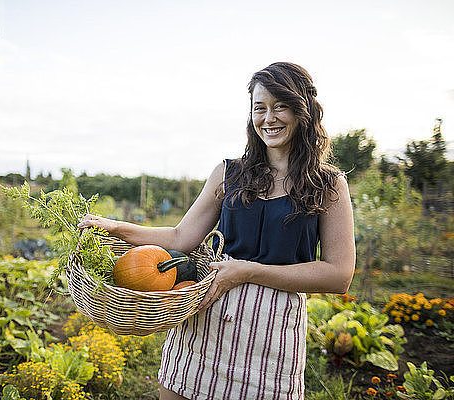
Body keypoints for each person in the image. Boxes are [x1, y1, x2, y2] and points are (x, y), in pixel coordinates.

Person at [78, 62, 356, 400]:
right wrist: (117, 228)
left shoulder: (328, 185)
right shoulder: (229, 173)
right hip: (205, 322)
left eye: (280, 106)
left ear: (303, 110)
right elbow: (181, 238)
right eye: (259, 108)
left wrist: (246, 271)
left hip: (270, 337)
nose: (268, 118)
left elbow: (338, 275)